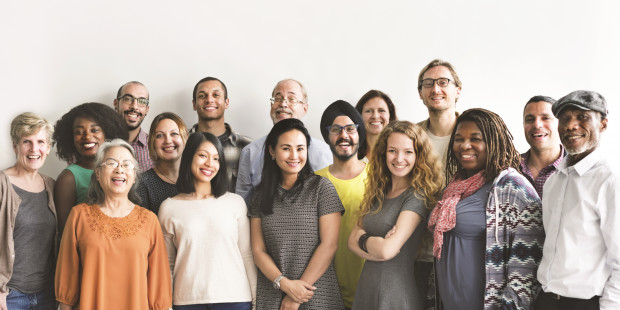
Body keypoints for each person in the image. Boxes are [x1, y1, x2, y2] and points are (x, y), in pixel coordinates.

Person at [428, 108, 544, 309]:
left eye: (475, 138)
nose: (465, 145)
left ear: (493, 141)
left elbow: (527, 268)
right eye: (458, 139)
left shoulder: (513, 189)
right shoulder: (455, 186)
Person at [55, 139, 172, 310]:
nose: (120, 169)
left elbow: (159, 284)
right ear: (98, 173)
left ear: (134, 177)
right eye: (111, 163)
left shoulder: (149, 221)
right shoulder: (78, 216)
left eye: (127, 164)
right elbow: (67, 278)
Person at [536, 90, 619, 310]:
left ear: (603, 124)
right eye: (564, 119)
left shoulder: (610, 180)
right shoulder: (554, 181)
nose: (571, 125)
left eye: (582, 117)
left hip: (586, 304)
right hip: (546, 300)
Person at [249, 118, 344, 310]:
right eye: (286, 148)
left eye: (300, 148)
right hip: (274, 292)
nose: (294, 155)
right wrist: (285, 284)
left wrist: (296, 296)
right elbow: (258, 251)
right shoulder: (260, 196)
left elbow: (329, 245)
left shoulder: (321, 188)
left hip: (316, 293)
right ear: (272, 151)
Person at [348, 121, 444, 310]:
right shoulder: (378, 192)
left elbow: (387, 251)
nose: (399, 158)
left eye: (408, 152)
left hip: (395, 294)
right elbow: (350, 241)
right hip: (367, 289)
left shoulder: (417, 195)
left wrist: (363, 238)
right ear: (384, 153)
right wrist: (372, 244)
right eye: (393, 150)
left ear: (419, 155)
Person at [159, 132, 256, 310]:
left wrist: (257, 301)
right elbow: (167, 264)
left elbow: (247, 255)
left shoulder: (235, 203)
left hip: (234, 299)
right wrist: (166, 305)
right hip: (187, 301)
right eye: (203, 156)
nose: (210, 164)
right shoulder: (169, 207)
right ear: (189, 159)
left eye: (216, 158)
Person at [236, 79, 332, 205]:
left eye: (291, 99)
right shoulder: (250, 152)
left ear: (305, 108)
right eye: (278, 98)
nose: (283, 104)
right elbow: (243, 204)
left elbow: (329, 203)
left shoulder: (323, 152)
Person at [415, 59, 463, 303]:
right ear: (421, 94)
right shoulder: (409, 137)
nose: (436, 89)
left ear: (458, 90)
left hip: (462, 252)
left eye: (443, 82)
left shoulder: (475, 134)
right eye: (428, 84)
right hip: (417, 252)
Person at [1, 113, 57, 310]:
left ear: (48, 148)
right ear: (15, 146)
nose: (35, 149)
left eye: (41, 141)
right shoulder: (2, 184)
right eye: (27, 141)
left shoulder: (50, 185)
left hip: (46, 295)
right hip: (10, 296)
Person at [315, 100, 368, 309]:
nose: (344, 135)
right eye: (336, 130)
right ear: (327, 136)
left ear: (359, 133)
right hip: (327, 291)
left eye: (350, 129)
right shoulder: (314, 182)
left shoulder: (380, 177)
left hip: (371, 289)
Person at [53, 102, 128, 234]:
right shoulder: (68, 178)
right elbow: (65, 232)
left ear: (107, 133)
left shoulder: (121, 171)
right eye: (79, 132)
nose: (87, 136)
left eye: (94, 130)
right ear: (71, 138)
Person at [189, 77, 253, 192]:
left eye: (216, 95)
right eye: (202, 96)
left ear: (226, 102)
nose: (209, 100)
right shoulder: (180, 143)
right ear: (194, 104)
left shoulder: (247, 147)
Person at [137, 112, 188, 215]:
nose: (168, 141)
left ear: (184, 138)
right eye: (160, 135)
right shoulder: (142, 184)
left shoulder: (198, 177)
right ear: (152, 143)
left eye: (174, 134)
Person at [520, 95, 564, 198]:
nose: (537, 125)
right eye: (530, 119)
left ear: (560, 123)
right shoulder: (508, 168)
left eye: (546, 118)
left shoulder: (576, 169)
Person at [113, 81, 154, 171]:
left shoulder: (155, 147)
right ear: (116, 103)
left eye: (142, 101)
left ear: (147, 109)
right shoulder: (100, 143)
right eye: (128, 99)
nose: (134, 106)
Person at [354, 90, 397, 161]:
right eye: (369, 111)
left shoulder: (399, 155)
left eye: (381, 110)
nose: (375, 116)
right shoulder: (351, 155)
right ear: (359, 116)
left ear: (390, 115)